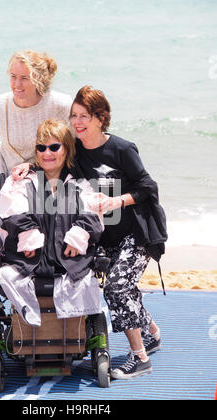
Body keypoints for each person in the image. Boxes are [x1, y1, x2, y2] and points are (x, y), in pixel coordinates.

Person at [69, 85, 167, 379]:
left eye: (84, 116)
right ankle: (152, 334)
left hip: (136, 233)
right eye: (73, 116)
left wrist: (116, 201)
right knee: (125, 287)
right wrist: (23, 169)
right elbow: (50, 164)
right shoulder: (75, 151)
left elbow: (149, 187)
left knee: (116, 287)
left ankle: (140, 358)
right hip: (105, 237)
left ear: (101, 118)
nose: (77, 122)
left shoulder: (122, 148)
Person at [0, 119, 104, 327]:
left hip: (68, 262)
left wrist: (79, 234)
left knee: (87, 281)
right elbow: (10, 211)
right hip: (29, 261)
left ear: (67, 150)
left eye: (54, 147)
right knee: (5, 275)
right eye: (41, 148)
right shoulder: (22, 181)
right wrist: (28, 235)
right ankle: (31, 317)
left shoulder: (79, 183)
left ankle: (73, 330)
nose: (47, 153)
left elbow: (93, 213)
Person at [0, 50, 72, 192]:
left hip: (53, 186)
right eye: (13, 76)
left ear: (38, 79)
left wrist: (34, 168)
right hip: (13, 187)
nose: (17, 84)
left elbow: (74, 146)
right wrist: (1, 173)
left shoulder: (61, 105)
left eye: (24, 78)